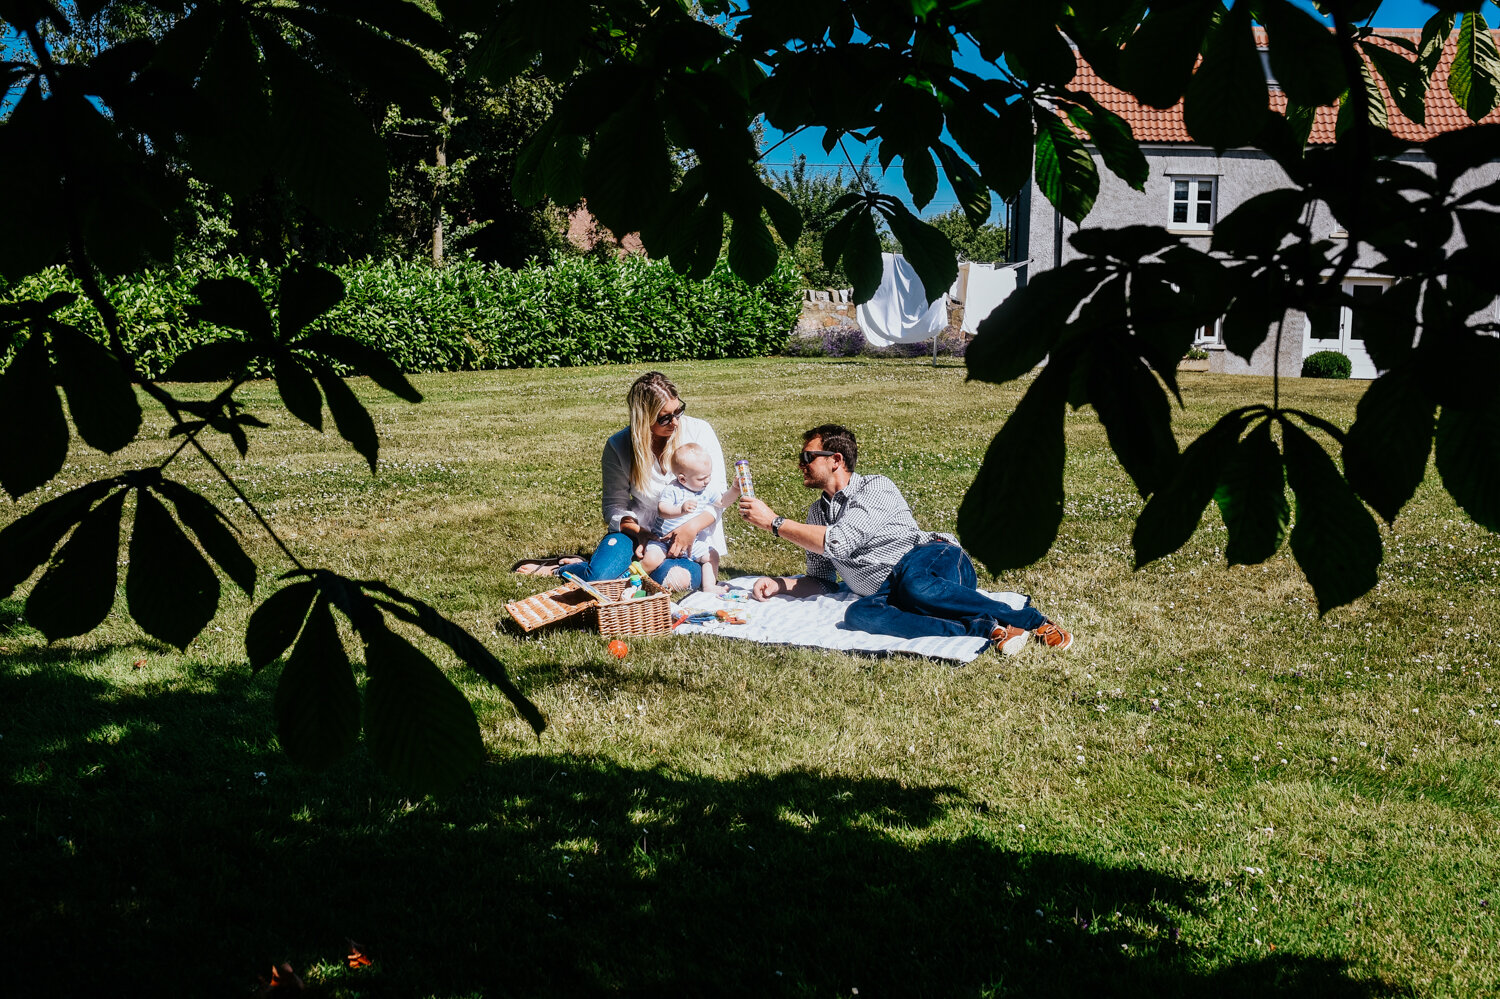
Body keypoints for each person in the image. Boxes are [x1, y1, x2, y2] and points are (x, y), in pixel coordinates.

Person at [737, 423, 1073, 655]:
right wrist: (781, 585)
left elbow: (839, 542)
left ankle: (1030, 621)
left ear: (836, 460)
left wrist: (774, 523)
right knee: (860, 615)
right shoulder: (816, 515)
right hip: (890, 591)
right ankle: (983, 627)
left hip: (932, 560)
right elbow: (822, 581)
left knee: (915, 585)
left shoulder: (875, 487)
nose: (801, 464)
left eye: (808, 457)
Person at [548, 371, 728, 591]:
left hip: (691, 539)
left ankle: (627, 567)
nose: (675, 423)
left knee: (675, 580)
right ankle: (566, 568)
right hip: (638, 533)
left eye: (678, 411)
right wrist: (638, 531)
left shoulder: (699, 431)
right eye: (665, 418)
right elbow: (614, 507)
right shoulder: (619, 446)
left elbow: (718, 495)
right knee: (599, 577)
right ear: (644, 419)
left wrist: (691, 527)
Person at [650, 442, 740, 593]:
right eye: (702, 478)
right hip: (663, 540)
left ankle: (709, 586)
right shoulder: (673, 489)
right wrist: (680, 509)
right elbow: (662, 510)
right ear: (682, 479)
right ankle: (635, 580)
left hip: (692, 543)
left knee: (712, 555)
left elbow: (722, 502)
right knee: (652, 559)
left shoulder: (706, 490)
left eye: (709, 476)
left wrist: (734, 490)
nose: (707, 481)